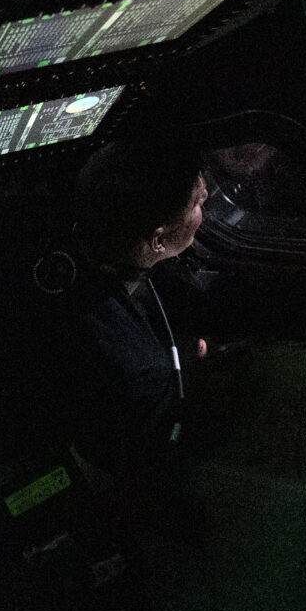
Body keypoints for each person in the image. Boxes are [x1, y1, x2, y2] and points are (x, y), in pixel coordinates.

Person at [47, 137, 211, 476]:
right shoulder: (143, 370)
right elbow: (127, 461)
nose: (207, 196)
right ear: (159, 240)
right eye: (196, 202)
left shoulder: (60, 230)